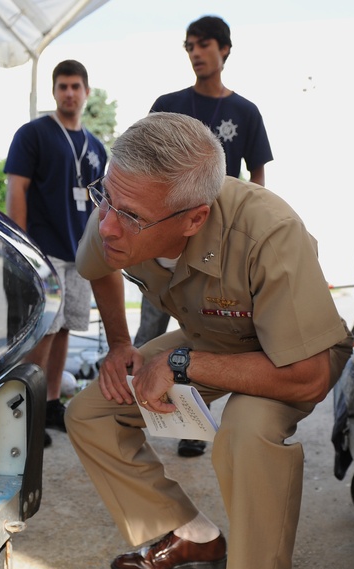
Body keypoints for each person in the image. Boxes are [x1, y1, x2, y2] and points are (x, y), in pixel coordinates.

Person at [64, 112, 352, 569]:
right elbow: (92, 263)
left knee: (246, 431)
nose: (109, 226)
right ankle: (195, 536)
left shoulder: (268, 231)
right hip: (205, 333)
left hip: (285, 353)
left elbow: (310, 376)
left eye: (130, 216)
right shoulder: (121, 207)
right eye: (106, 199)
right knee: (92, 410)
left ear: (194, 218)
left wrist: (177, 362)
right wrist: (122, 345)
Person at [133, 16, 274, 458]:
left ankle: (194, 425)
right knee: (152, 325)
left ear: (225, 50)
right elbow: (144, 165)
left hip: (217, 245)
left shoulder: (246, 112)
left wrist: (256, 238)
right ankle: (138, 411)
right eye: (189, 45)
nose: (195, 52)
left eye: (204, 44)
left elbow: (257, 180)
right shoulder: (168, 104)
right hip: (164, 239)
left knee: (207, 332)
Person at [4, 61, 108, 444]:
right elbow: (16, 188)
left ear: (87, 92)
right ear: (54, 91)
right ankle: (23, 407)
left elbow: (101, 204)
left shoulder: (96, 147)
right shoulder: (34, 134)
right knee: (44, 328)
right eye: (62, 86)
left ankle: (49, 403)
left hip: (80, 251)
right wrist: (20, 243)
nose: (69, 93)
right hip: (43, 249)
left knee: (66, 326)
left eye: (76, 86)